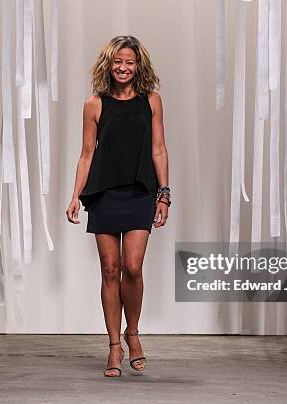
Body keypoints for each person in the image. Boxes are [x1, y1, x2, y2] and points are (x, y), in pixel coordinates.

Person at [66, 35, 170, 377]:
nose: (123, 67)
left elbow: (158, 149)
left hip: (141, 192)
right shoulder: (94, 104)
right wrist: (74, 196)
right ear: (108, 65)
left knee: (133, 267)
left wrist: (164, 194)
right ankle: (113, 344)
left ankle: (133, 333)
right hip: (104, 194)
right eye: (117, 62)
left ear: (138, 65)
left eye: (129, 62)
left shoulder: (151, 101)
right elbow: (86, 154)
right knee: (110, 268)